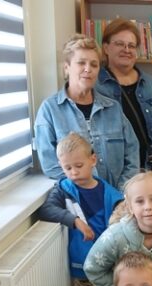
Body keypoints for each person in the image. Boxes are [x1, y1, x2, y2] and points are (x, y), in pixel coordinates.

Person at [37, 132, 124, 286]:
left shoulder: (110, 193)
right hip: (81, 268)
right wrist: (74, 221)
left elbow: (123, 219)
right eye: (67, 168)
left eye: (78, 166)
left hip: (110, 264)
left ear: (92, 160)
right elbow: (46, 210)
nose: (74, 172)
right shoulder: (63, 189)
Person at [34, 34, 139, 190]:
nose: (88, 69)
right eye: (81, 63)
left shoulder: (113, 108)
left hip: (118, 200)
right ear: (67, 67)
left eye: (94, 64)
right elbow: (50, 165)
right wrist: (88, 191)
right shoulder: (50, 110)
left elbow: (132, 155)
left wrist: (118, 194)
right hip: (78, 202)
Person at [96, 18, 152, 184]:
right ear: (106, 47)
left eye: (131, 45)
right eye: (120, 44)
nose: (126, 50)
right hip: (115, 179)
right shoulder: (96, 88)